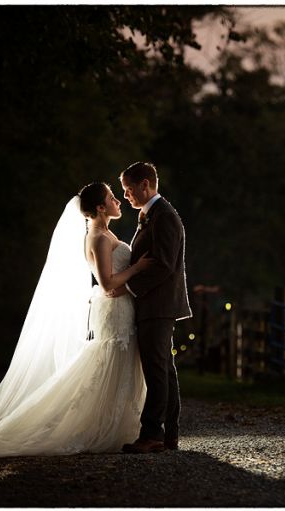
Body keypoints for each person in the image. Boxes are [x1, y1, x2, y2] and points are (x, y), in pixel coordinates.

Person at [0, 183, 151, 457]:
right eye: (113, 198)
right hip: (113, 309)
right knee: (109, 360)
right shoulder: (99, 238)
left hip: (119, 308)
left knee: (115, 361)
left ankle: (118, 424)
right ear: (100, 207)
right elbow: (107, 284)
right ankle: (94, 426)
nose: (118, 201)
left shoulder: (105, 233)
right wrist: (137, 270)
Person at [114, 162, 192, 454]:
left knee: (156, 370)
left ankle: (152, 434)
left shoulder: (165, 217)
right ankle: (168, 435)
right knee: (164, 371)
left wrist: (131, 288)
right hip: (153, 304)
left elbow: (164, 265)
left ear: (145, 185)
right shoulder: (152, 215)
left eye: (129, 190)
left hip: (158, 305)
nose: (126, 196)